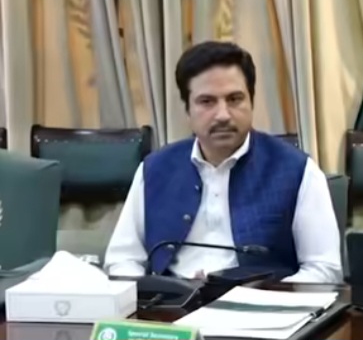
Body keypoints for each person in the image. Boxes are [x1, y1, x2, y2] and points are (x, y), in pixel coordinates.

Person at [104, 41, 341, 283]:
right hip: (171, 300)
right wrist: (143, 294)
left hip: (262, 301)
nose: (223, 115)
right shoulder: (155, 169)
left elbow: (324, 269)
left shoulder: (297, 169)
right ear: (187, 110)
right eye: (207, 101)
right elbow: (123, 259)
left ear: (252, 102)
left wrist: (272, 297)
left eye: (234, 99)